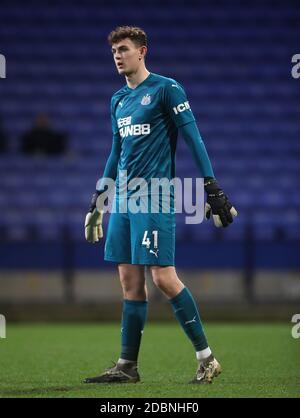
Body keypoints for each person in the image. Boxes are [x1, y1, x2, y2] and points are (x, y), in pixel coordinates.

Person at [84, 26, 237, 385]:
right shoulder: (118, 99)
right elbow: (115, 152)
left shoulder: (167, 89)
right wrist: (99, 198)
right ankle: (127, 366)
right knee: (128, 280)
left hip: (154, 195)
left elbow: (193, 137)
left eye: (123, 49)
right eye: (113, 52)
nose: (117, 56)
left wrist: (211, 186)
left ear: (142, 52)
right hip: (122, 197)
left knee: (163, 278)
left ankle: (207, 358)